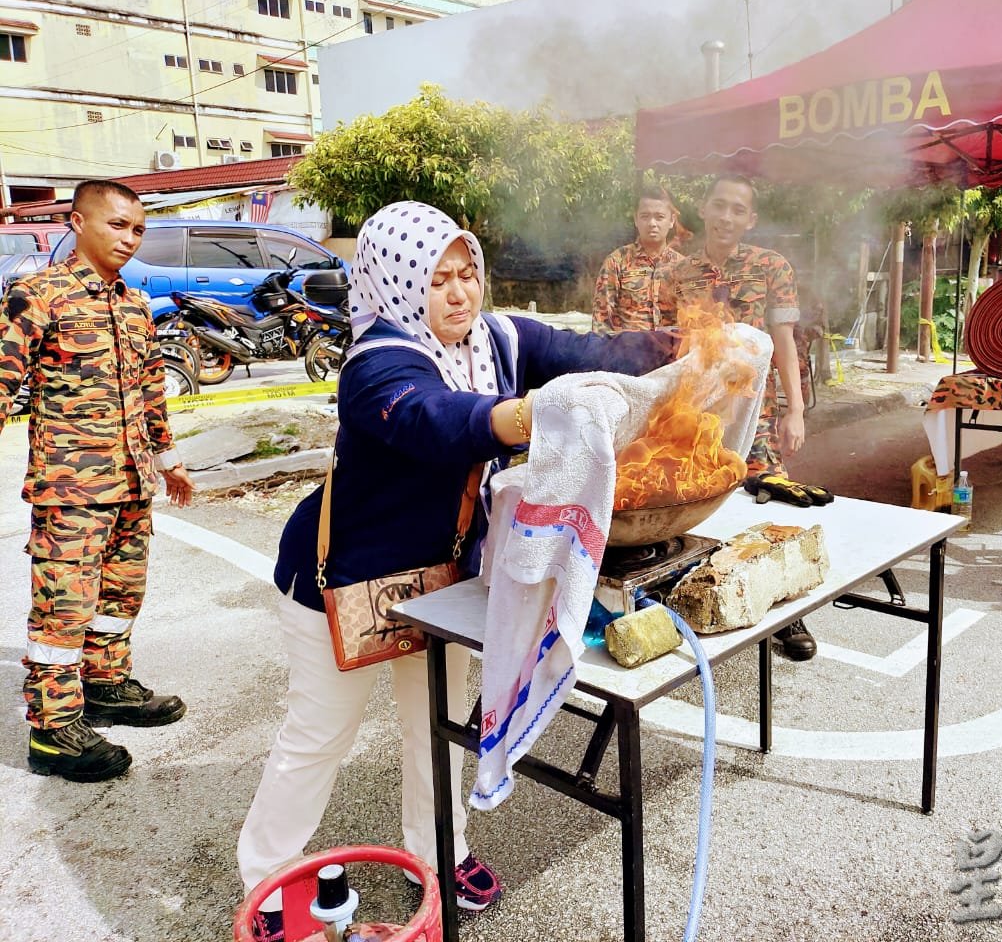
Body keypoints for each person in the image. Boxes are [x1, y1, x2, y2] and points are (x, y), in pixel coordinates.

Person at [237, 202, 678, 939]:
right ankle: (268, 881)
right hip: (344, 581)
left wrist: (690, 342)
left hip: (443, 583)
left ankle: (441, 851)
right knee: (319, 737)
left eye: (467, 273)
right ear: (399, 280)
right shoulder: (377, 363)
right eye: (437, 278)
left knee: (434, 728)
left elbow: (597, 350)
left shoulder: (498, 338)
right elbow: (436, 421)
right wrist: (525, 416)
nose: (459, 293)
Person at [0, 180, 194, 783]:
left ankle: (105, 685)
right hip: (71, 489)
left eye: (137, 229)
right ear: (78, 222)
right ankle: (53, 729)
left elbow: (151, 389)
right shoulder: (38, 295)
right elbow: (4, 378)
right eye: (117, 225)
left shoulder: (135, 304)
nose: (129, 239)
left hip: (132, 482)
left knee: (119, 597)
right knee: (64, 610)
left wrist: (167, 459)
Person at [658, 175, 815, 661]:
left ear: (751, 219)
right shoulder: (678, 273)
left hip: (758, 411)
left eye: (738, 210)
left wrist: (796, 408)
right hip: (697, 409)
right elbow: (668, 345)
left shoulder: (771, 266)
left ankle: (789, 617)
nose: (726, 217)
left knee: (769, 505)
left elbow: (784, 340)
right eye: (718, 206)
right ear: (703, 210)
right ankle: (688, 601)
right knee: (690, 499)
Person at [590, 184, 686, 334]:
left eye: (659, 217)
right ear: (636, 219)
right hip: (628, 353)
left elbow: (693, 320)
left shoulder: (684, 267)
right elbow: (601, 323)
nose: (652, 223)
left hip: (672, 353)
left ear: (672, 220)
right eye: (645, 216)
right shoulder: (617, 262)